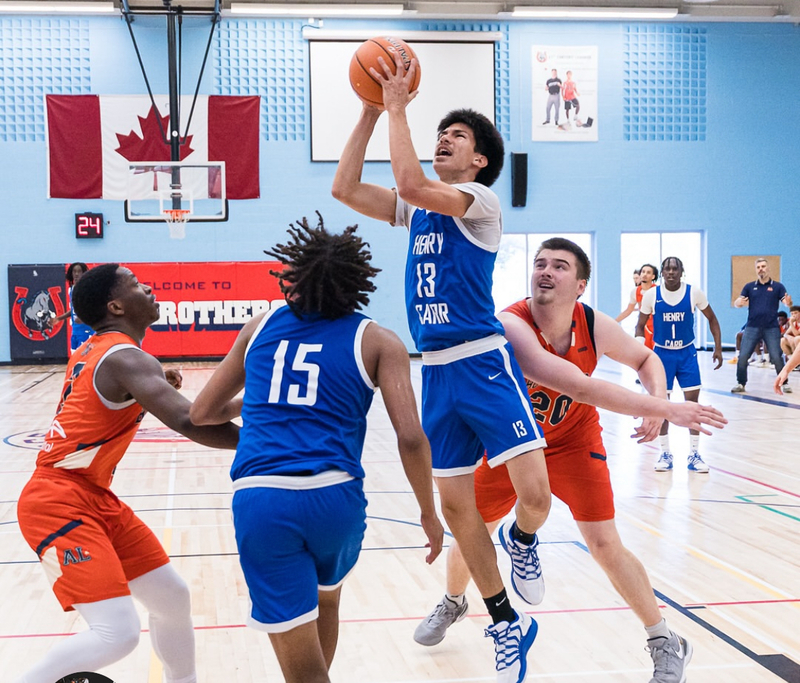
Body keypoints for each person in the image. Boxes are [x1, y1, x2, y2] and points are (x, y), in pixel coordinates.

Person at [412, 238, 726, 683]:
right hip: (513, 442)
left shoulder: (594, 324)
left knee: (605, 543)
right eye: (540, 263)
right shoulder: (509, 324)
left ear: (580, 285)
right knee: (473, 530)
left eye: (559, 266)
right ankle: (454, 600)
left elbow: (645, 357)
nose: (545, 271)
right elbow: (578, 386)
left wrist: (657, 398)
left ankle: (665, 640)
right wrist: (667, 408)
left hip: (575, 440)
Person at [333, 51, 548, 683]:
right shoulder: (420, 209)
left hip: (484, 363)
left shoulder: (478, 202)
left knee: (535, 498)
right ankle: (505, 622)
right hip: (437, 372)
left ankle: (524, 540)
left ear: (479, 160)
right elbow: (344, 189)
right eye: (441, 133)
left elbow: (409, 183)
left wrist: (397, 106)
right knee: (458, 511)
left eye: (456, 136)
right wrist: (370, 113)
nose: (444, 140)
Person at [189, 216, 444, 683]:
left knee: (302, 672)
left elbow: (203, 413)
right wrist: (428, 512)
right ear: (356, 281)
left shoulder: (259, 327)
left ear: (295, 275)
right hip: (337, 499)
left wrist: (260, 400)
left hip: (266, 499)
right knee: (327, 602)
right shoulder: (379, 341)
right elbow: (411, 437)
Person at [15, 264, 240, 683]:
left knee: (171, 598)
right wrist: (263, 443)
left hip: (90, 494)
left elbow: (103, 396)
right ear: (116, 306)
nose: (148, 288)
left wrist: (151, 385)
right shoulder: (127, 359)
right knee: (116, 634)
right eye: (136, 284)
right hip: (57, 502)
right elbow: (190, 421)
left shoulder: (97, 349)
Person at [636, 256, 723, 473]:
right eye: (667, 269)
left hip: (687, 354)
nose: (671, 272)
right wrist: (639, 350)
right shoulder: (651, 295)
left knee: (692, 405)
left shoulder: (694, 293)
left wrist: (718, 347)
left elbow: (712, 319)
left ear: (681, 271)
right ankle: (665, 453)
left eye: (675, 269)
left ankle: (694, 454)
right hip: (661, 355)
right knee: (662, 405)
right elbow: (639, 326)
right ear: (662, 272)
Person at [731, 258, 793, 394]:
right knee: (743, 356)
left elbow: (786, 302)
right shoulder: (749, 287)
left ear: (768, 268)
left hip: (771, 328)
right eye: (758, 267)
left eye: (763, 266)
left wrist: (788, 302)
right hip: (752, 326)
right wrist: (738, 303)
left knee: (776, 357)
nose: (761, 269)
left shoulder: (778, 287)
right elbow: (738, 302)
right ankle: (741, 383)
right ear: (756, 270)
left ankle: (784, 383)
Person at [47, 262, 93, 353]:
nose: (76, 274)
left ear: (84, 273)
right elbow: (73, 310)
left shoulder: (87, 290)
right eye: (74, 271)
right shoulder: (72, 289)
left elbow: (94, 308)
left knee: (84, 358)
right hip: (75, 331)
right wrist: (59, 318)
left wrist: (84, 317)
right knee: (74, 358)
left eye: (79, 271)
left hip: (86, 331)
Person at [617, 263, 658, 349]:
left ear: (653, 276)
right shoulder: (635, 292)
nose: (645, 274)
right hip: (644, 328)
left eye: (648, 272)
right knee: (643, 353)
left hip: (658, 328)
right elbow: (629, 310)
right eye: (643, 272)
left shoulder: (658, 291)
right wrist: (614, 321)